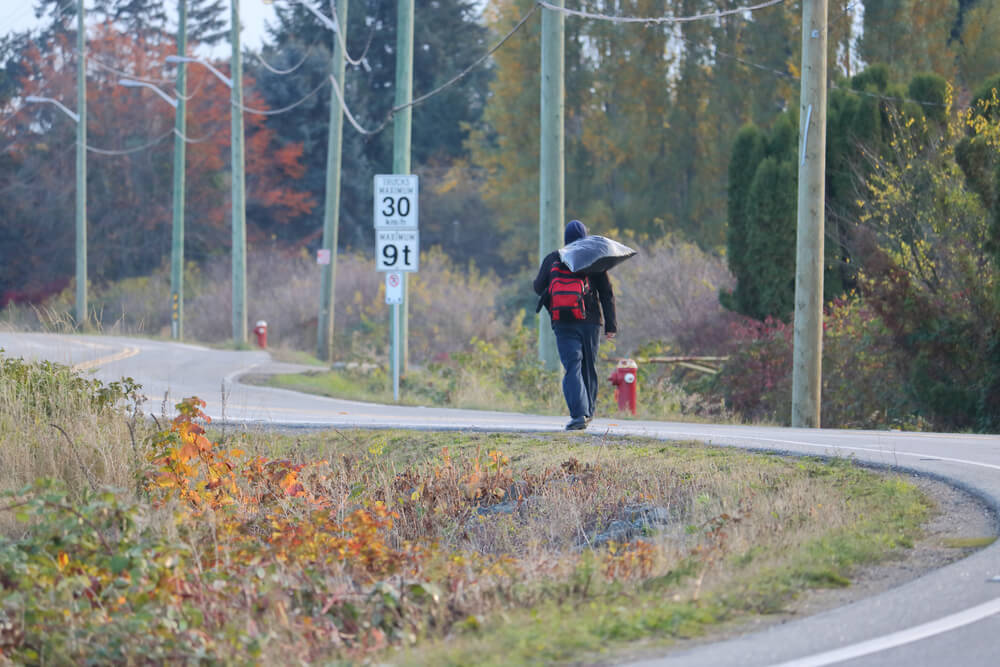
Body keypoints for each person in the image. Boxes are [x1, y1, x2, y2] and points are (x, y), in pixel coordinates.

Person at [533, 220, 617, 430]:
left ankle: (578, 414)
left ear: (566, 238)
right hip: (590, 322)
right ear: (586, 237)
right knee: (589, 366)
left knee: (572, 367)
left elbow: (537, 287)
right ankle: (588, 412)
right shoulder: (594, 258)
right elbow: (606, 293)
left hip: (562, 322)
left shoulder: (554, 257)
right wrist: (611, 325)